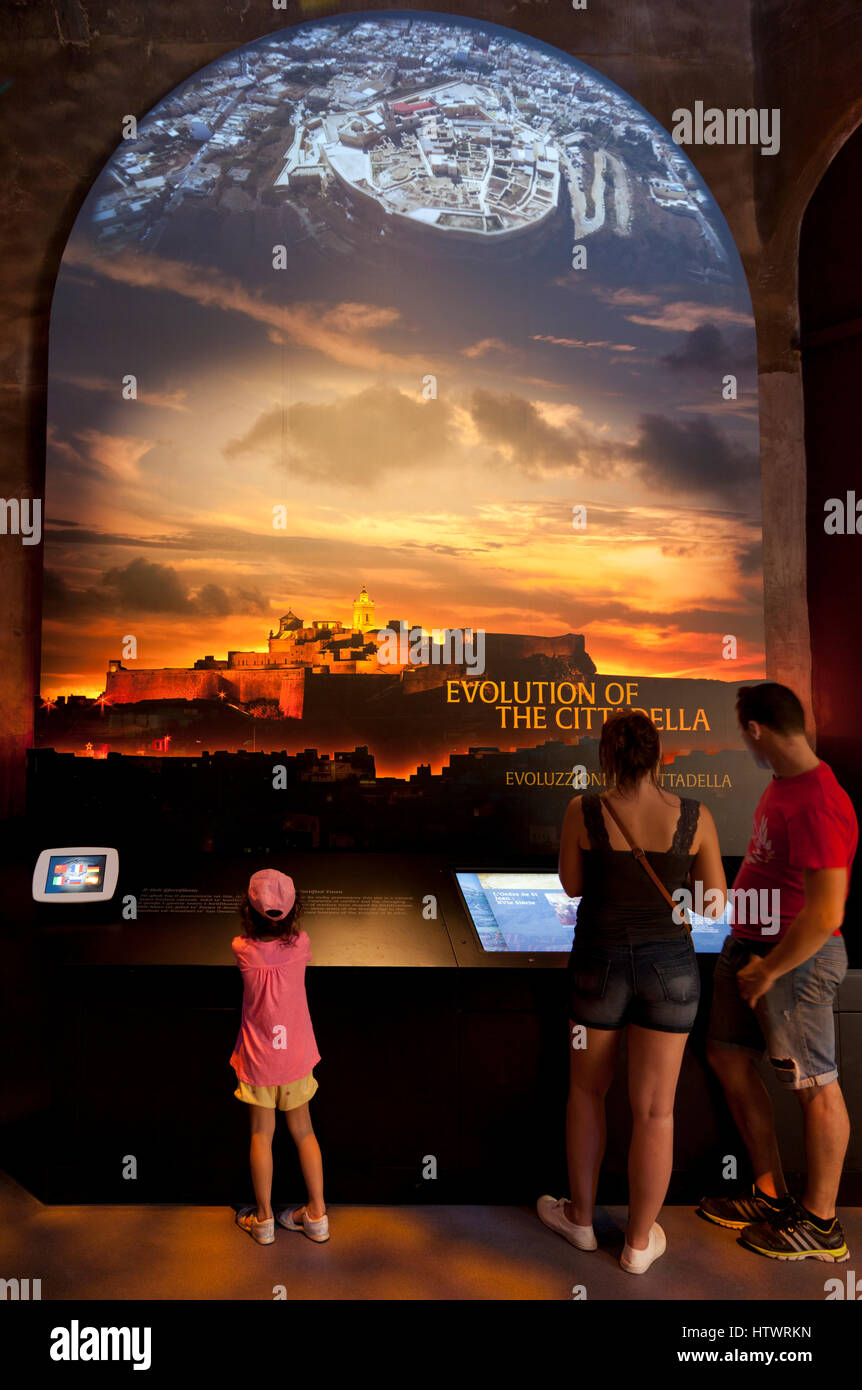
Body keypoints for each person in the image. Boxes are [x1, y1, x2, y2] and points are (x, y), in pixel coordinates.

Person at [539, 710, 726, 1273]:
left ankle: (580, 1220)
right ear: (659, 754)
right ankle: (639, 1244)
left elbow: (572, 887)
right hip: (671, 972)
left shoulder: (583, 810)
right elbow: (713, 902)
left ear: (607, 756)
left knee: (586, 1092)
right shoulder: (696, 816)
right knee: (655, 1111)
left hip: (596, 970)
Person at [697, 682, 857, 1261]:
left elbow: (826, 913)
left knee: (815, 1086)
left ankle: (820, 1224)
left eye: (743, 732)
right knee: (726, 1055)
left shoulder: (817, 801)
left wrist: (769, 971)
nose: (744, 741)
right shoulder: (785, 784)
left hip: (793, 965)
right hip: (752, 948)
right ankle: (770, 1195)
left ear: (756, 731)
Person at [230, 869, 328, 1245]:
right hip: (295, 1059)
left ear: (249, 909)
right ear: (291, 910)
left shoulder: (241, 947)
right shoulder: (301, 944)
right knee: (304, 1132)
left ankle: (265, 1219)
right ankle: (317, 1215)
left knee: (261, 1134)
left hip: (258, 1061)